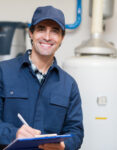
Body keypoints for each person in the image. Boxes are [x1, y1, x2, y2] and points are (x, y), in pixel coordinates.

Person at [0, 5, 84, 150]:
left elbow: (76, 132)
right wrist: (14, 133)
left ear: (61, 38)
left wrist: (63, 145)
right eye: (41, 29)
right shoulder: (3, 72)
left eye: (55, 31)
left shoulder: (69, 85)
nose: (47, 37)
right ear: (31, 33)